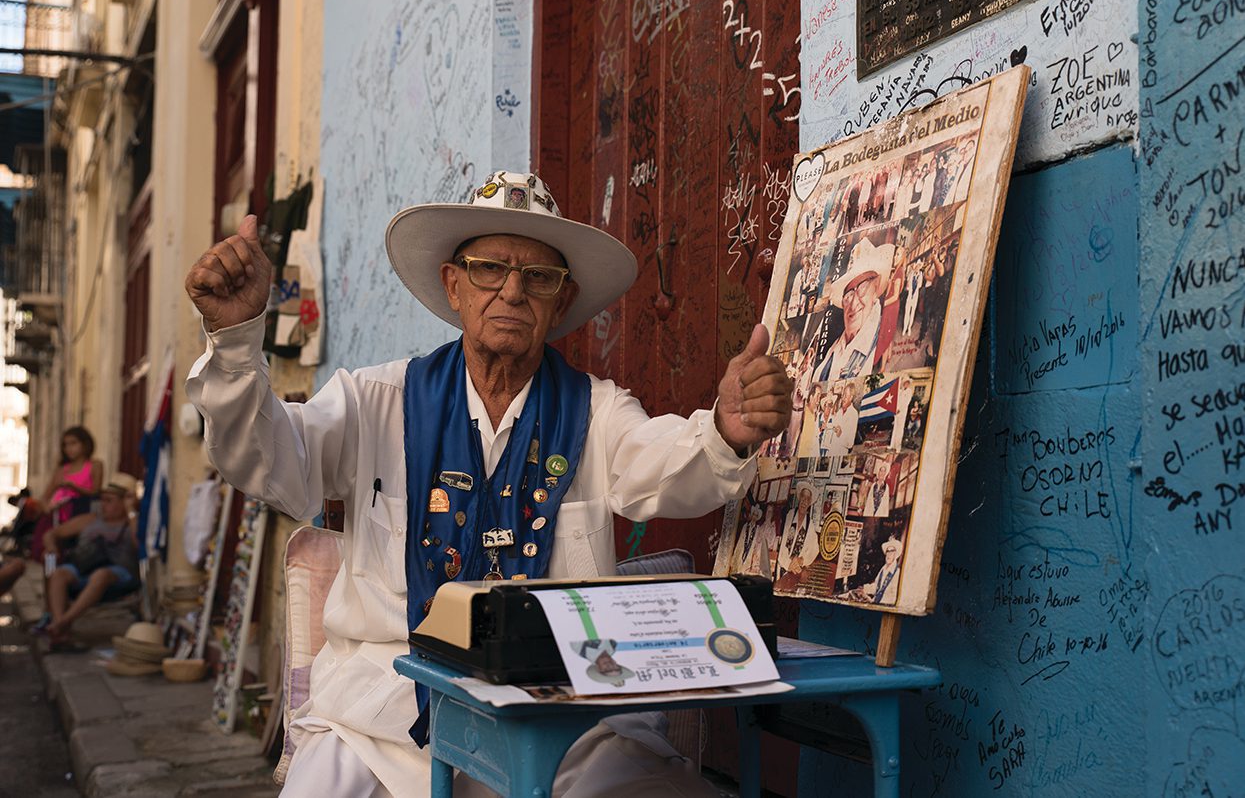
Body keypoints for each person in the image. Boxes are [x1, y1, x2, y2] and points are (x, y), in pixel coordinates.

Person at [184, 170, 793, 798]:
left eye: (537, 277)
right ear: (454, 285)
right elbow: (270, 461)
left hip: (565, 719)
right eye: (488, 269)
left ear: (561, 300)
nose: (512, 291)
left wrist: (723, 429)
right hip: (388, 718)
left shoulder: (596, 411)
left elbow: (667, 463)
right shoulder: (376, 402)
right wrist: (235, 345)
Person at [41, 473, 140, 648]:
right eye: (102, 500)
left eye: (109, 501)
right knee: (58, 574)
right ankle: (60, 626)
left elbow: (139, 546)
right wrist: (51, 548)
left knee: (101, 575)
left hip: (119, 573)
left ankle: (62, 623)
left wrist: (131, 510)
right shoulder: (91, 519)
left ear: (124, 501)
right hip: (83, 568)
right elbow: (51, 534)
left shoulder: (131, 523)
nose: (103, 505)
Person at [813, 237, 894, 382]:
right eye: (848, 295)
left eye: (862, 288)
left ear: (876, 289)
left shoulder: (886, 343)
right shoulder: (833, 350)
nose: (854, 303)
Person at [32, 426, 103, 559]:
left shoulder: (94, 465)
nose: (69, 448)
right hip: (57, 516)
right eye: (65, 445)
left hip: (80, 515)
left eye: (73, 443)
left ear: (85, 444)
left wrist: (74, 487)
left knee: (72, 553)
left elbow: (95, 493)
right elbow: (45, 497)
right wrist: (47, 508)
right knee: (50, 554)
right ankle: (51, 576)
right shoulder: (62, 470)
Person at [860, 535, 903, 605]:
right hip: (876, 603)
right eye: (887, 551)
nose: (888, 555)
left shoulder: (897, 573)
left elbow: (893, 596)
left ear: (895, 554)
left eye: (891, 551)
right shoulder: (883, 569)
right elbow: (877, 586)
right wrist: (864, 588)